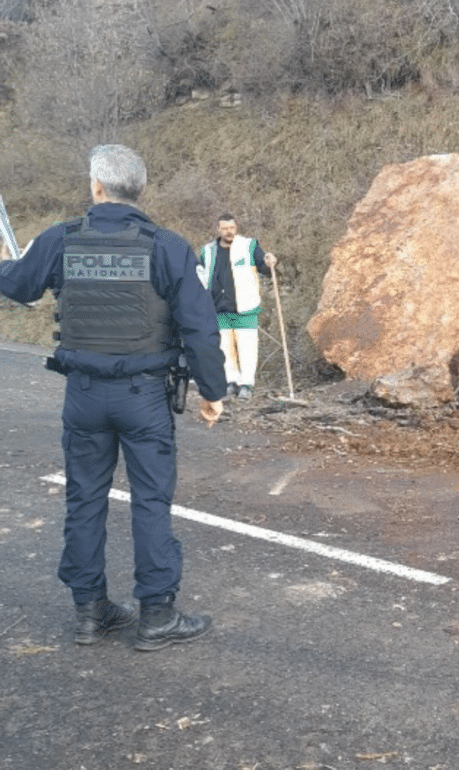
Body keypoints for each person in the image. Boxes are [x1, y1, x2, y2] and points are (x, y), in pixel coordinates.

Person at [0, 144, 227, 651]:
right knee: (151, 501)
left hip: (82, 396)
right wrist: (213, 392)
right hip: (144, 395)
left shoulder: (60, 239)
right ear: (139, 191)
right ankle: (156, 617)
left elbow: (18, 287)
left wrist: (5, 263)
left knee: (84, 500)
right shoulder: (167, 246)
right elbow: (200, 327)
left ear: (96, 187)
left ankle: (90, 613)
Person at [196, 213, 277, 400]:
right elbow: (199, 275)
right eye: (225, 228)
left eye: (231, 227)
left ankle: (246, 385)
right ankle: (230, 382)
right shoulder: (207, 251)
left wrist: (269, 262)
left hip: (245, 308)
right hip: (217, 308)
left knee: (247, 348)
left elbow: (264, 268)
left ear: (236, 227)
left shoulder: (249, 246)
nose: (229, 231)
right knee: (224, 349)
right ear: (218, 230)